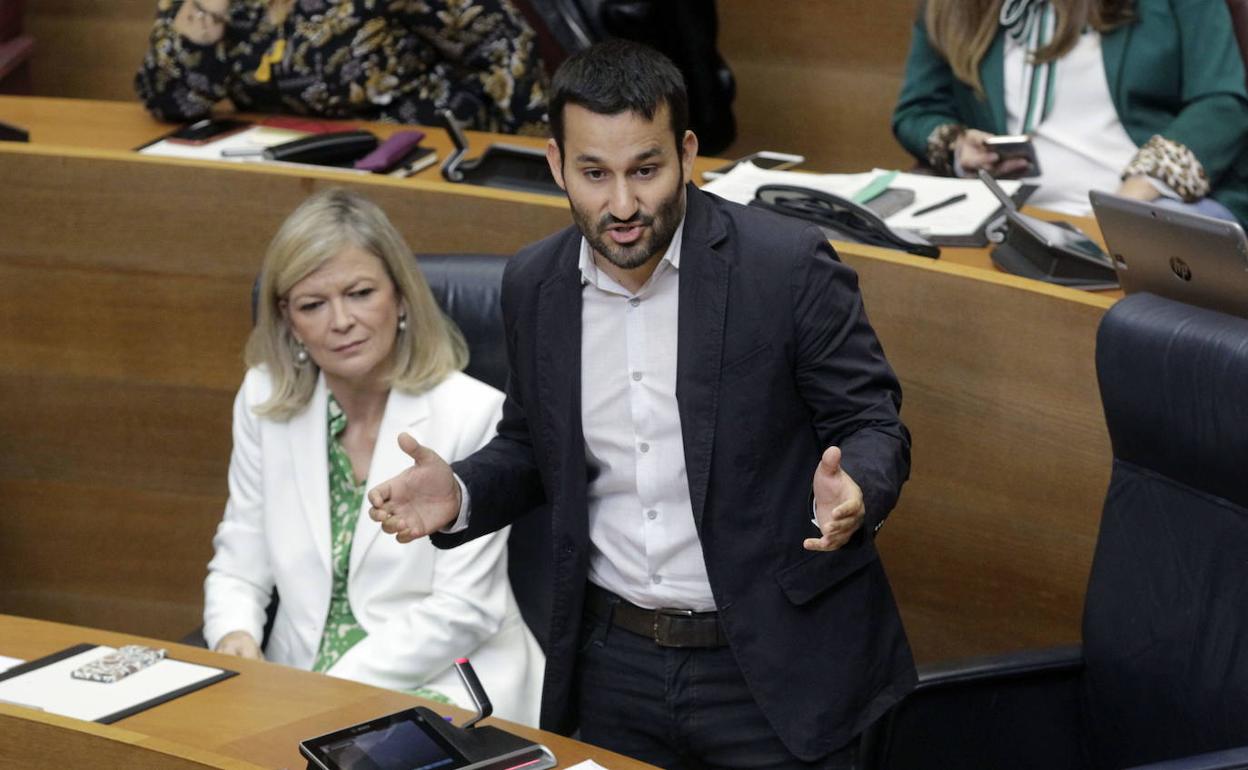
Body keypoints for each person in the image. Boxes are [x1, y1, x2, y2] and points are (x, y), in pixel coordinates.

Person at [367, 40, 916, 768]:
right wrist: (464, 490)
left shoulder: (786, 267)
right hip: (611, 665)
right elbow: (535, 445)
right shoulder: (535, 284)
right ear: (557, 164)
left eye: (645, 170)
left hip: (769, 665)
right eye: (594, 173)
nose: (622, 205)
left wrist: (856, 492)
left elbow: (871, 421)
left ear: (688, 154)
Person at [203, 188, 543, 726]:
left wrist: (320, 695)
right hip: (293, 682)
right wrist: (234, 635)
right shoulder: (264, 399)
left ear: (401, 297)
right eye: (313, 304)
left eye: (360, 293)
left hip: (438, 683)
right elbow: (240, 559)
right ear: (288, 320)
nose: (341, 321)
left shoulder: (474, 412)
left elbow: (464, 609)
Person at [892, 0, 1248, 223]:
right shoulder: (948, 7)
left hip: (1156, 205)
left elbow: (1222, 103)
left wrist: (1139, 191)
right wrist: (957, 146)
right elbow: (918, 110)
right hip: (1013, 216)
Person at [135, 0, 548, 135]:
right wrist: (208, 10)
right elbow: (172, 101)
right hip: (282, 166)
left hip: (413, 156)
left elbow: (505, 47)